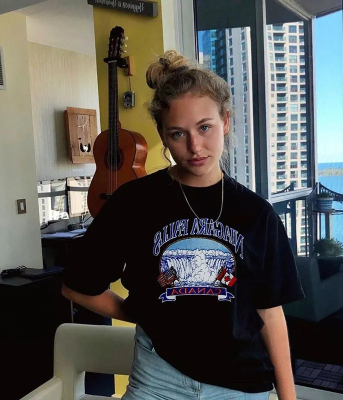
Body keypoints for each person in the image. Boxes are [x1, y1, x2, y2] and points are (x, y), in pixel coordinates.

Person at [62, 50, 305, 400]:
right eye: (178, 133)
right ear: (162, 134)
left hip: (240, 385)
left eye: (204, 127)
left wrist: (288, 397)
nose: (195, 147)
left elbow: (269, 311)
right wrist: (141, 313)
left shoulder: (257, 214)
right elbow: (77, 286)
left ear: (225, 121)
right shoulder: (134, 202)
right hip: (157, 378)